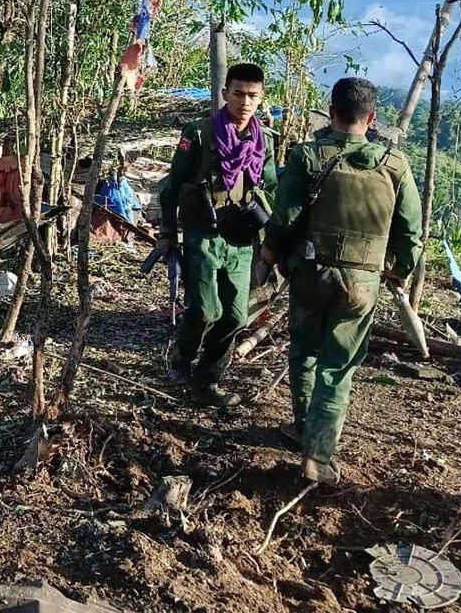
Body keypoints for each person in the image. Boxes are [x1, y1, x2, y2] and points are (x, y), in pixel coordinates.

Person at [261, 77, 423, 484]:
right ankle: (318, 456)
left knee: (304, 352)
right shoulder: (395, 165)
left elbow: (284, 216)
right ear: (372, 118)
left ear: (331, 113)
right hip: (362, 282)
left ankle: (304, 427)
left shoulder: (307, 156)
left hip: (311, 273)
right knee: (338, 367)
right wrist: (400, 270)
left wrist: (271, 251)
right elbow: (411, 232)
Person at [157, 63, 278, 407]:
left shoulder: (264, 141)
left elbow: (271, 189)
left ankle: (208, 379)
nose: (245, 102)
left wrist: (273, 235)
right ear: (225, 93)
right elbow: (173, 186)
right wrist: (167, 232)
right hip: (203, 234)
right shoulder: (199, 133)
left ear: (261, 97)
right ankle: (181, 358)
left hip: (241, 238)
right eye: (238, 93)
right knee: (205, 311)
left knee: (236, 316)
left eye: (252, 95)